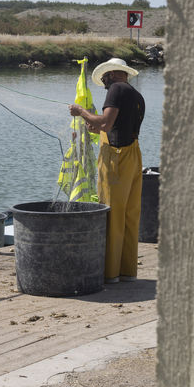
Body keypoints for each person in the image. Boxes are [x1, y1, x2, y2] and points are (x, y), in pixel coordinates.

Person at [69, 58, 145, 283]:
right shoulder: (135, 94)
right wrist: (96, 127)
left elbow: (104, 123)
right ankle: (127, 271)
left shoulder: (116, 89)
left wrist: (81, 111)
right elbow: (115, 126)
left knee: (111, 213)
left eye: (104, 79)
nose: (103, 84)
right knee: (130, 214)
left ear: (111, 74)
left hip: (115, 157)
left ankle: (110, 273)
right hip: (133, 155)